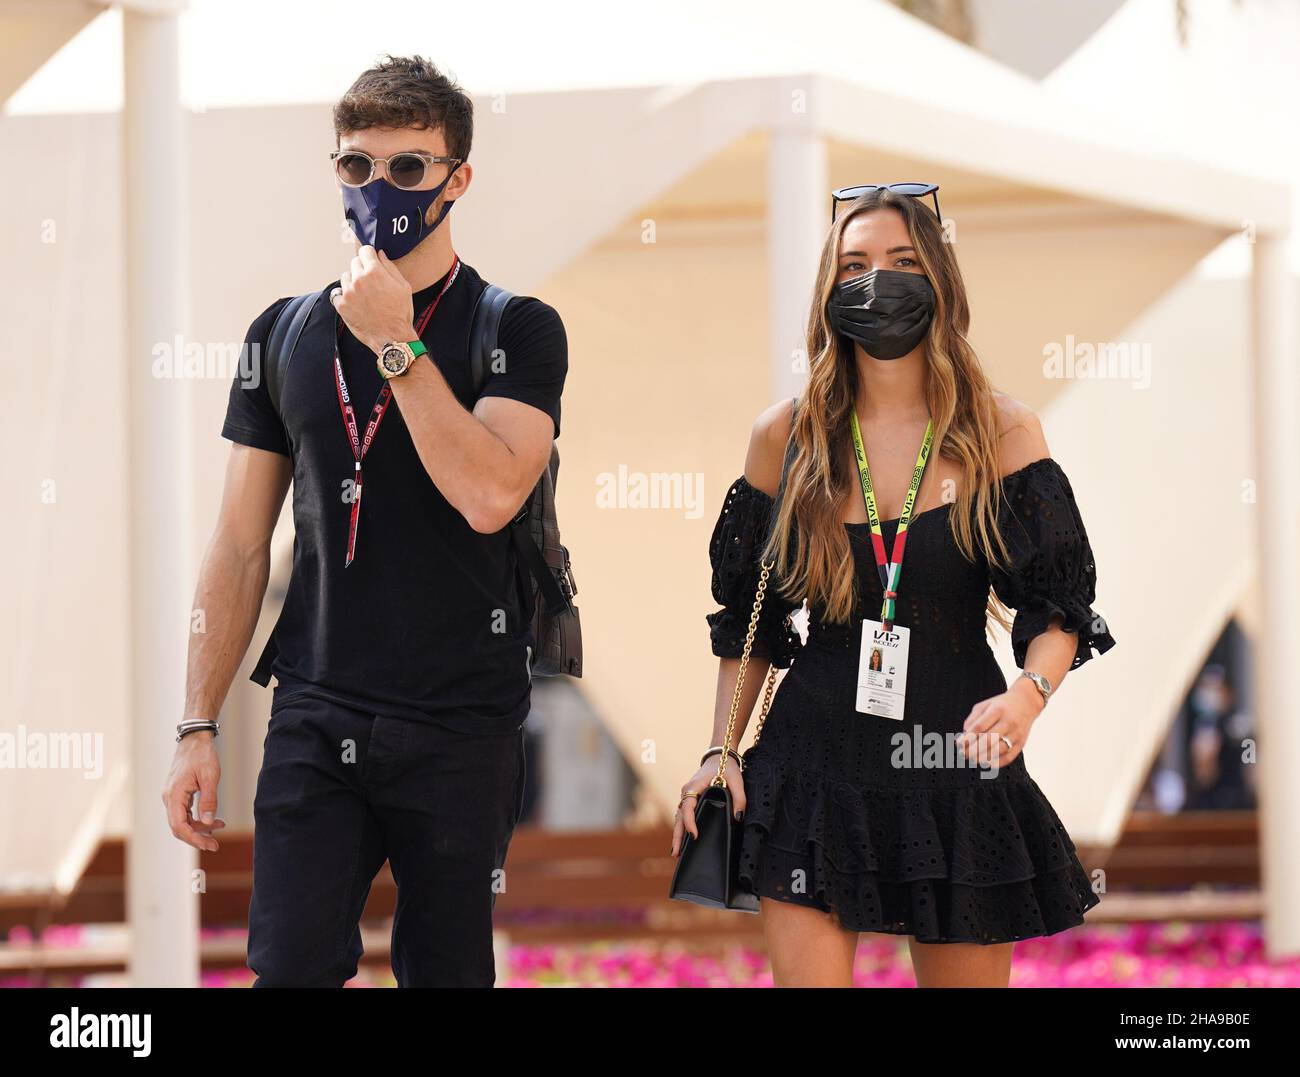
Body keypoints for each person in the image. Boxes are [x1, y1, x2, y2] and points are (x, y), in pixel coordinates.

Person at [161, 56, 567, 987]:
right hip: (316, 702)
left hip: (464, 715)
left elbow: (491, 492)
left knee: (447, 972)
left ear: (457, 178)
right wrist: (196, 722)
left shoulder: (518, 328)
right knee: (290, 968)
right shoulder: (283, 333)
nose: (379, 188)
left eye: (408, 167)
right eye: (356, 166)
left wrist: (394, 339)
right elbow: (236, 542)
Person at [672, 185, 1115, 988]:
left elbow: (1058, 605)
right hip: (809, 769)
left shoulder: (1001, 430)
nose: (879, 281)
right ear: (829, 291)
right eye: (856, 264)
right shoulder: (787, 434)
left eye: (904, 263)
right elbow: (750, 623)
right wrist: (720, 751)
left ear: (940, 279)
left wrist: (1028, 696)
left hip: (954, 767)